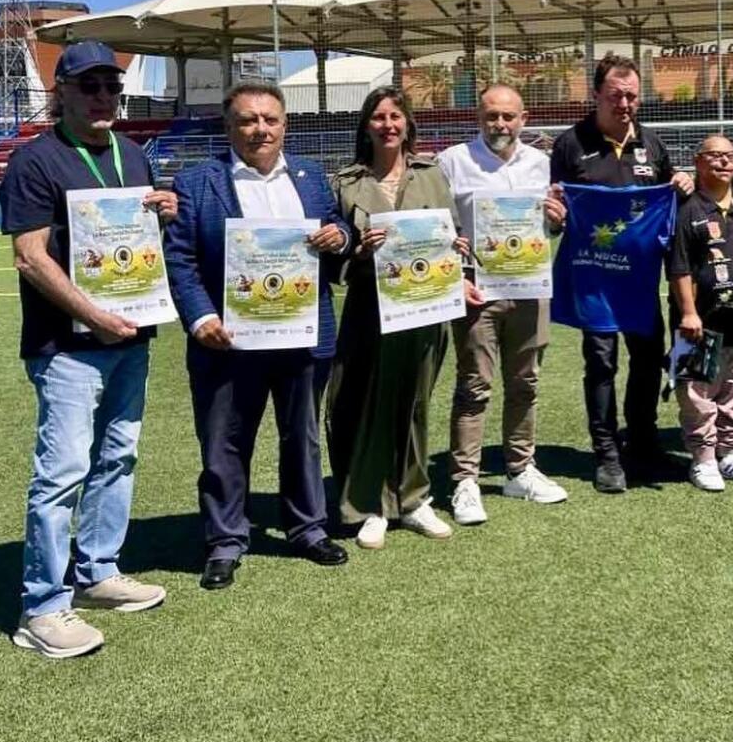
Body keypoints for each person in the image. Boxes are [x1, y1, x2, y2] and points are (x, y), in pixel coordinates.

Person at [0, 40, 175, 658]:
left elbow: (142, 239)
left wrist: (167, 211)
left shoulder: (133, 155)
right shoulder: (35, 162)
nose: (104, 98)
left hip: (130, 335)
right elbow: (29, 257)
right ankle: (43, 606)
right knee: (62, 473)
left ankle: (98, 571)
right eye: (90, 87)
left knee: (118, 458)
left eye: (112, 88)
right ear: (63, 92)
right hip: (67, 345)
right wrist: (93, 315)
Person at [165, 81, 350, 590]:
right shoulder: (198, 182)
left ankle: (307, 529)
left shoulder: (311, 177)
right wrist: (201, 318)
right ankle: (225, 540)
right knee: (224, 443)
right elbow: (178, 258)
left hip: (302, 337)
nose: (259, 129)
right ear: (229, 127)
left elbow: (336, 230)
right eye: (247, 120)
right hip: (228, 341)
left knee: (303, 439)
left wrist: (341, 237)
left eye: (269, 119)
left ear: (284, 124)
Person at [327, 86, 482, 549]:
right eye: (378, 117)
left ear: (408, 123)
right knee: (365, 403)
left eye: (396, 116)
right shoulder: (346, 181)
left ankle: (413, 499)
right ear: (366, 125)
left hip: (426, 307)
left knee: (415, 403)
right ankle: (372, 504)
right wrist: (357, 249)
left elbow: (453, 235)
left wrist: (458, 250)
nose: (388, 125)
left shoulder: (432, 175)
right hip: (369, 311)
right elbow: (335, 256)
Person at [550, 53, 694, 493]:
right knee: (601, 362)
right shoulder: (570, 144)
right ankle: (607, 454)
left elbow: (671, 197)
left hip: (640, 280)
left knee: (649, 360)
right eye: (616, 96)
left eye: (632, 96)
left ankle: (644, 446)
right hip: (593, 279)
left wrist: (683, 182)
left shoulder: (652, 144)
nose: (625, 103)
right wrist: (553, 212)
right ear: (597, 95)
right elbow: (553, 208)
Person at [437, 84, 569, 526]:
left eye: (508, 116)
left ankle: (519, 468)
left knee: (526, 382)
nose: (500, 124)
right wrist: (456, 276)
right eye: (492, 116)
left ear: (524, 119)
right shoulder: (453, 162)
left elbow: (550, 228)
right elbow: (441, 230)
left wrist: (555, 223)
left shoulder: (540, 164)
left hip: (531, 287)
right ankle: (465, 480)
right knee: (474, 385)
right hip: (478, 289)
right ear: (479, 117)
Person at [668, 134, 733, 491]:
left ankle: (732, 454)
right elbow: (679, 268)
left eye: (729, 156)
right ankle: (703, 459)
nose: (723, 162)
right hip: (702, 326)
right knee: (697, 395)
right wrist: (688, 313)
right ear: (698, 162)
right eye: (714, 156)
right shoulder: (687, 209)